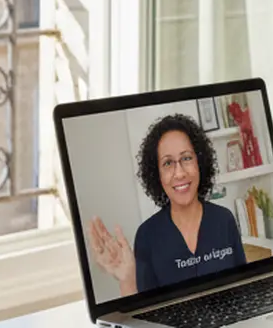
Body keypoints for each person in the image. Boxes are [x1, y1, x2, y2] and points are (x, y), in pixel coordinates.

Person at [88, 113, 247, 297]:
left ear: (200, 162)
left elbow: (244, 288)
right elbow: (146, 311)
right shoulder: (147, 236)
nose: (179, 173)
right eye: (168, 163)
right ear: (157, 175)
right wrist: (128, 280)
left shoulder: (224, 220)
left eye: (186, 158)